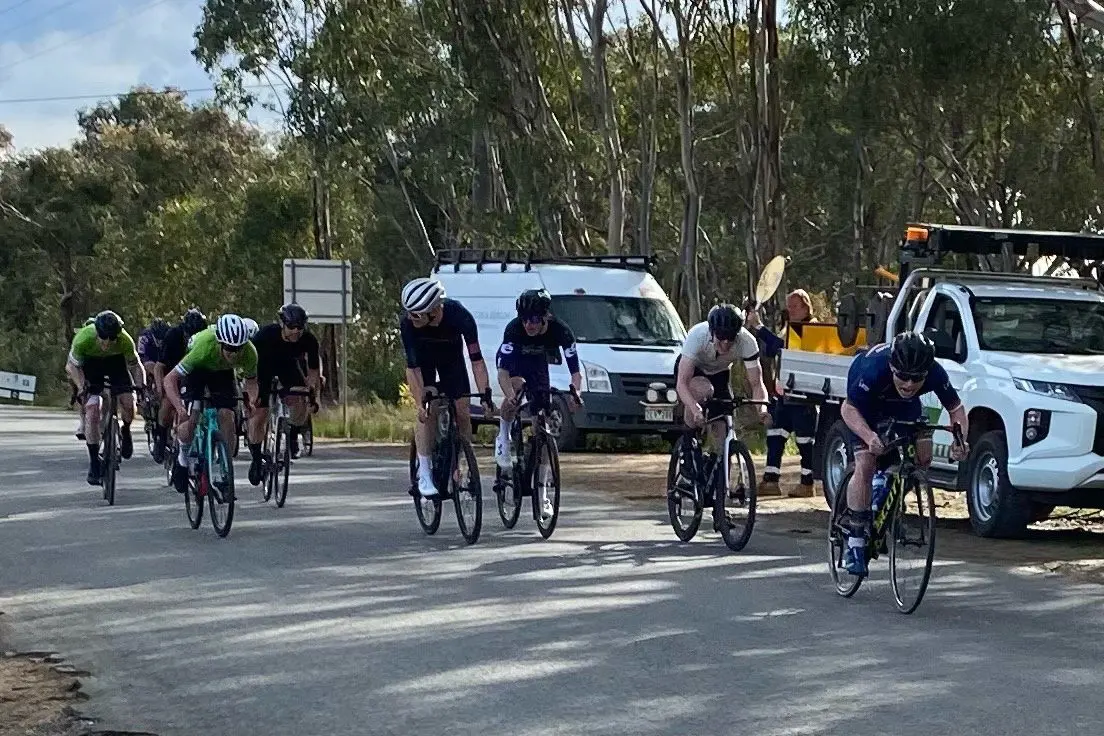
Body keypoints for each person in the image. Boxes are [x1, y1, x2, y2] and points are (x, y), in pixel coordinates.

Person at [839, 330, 969, 576]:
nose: (909, 384)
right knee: (866, 463)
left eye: (916, 378)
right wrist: (869, 437)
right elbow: (848, 408)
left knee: (923, 458)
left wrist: (961, 440)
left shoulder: (934, 373)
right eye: (903, 376)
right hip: (865, 406)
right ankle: (855, 541)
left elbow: (956, 408)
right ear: (892, 366)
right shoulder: (874, 369)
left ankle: (889, 495)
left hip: (904, 407)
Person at [399, 278, 494, 497]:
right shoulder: (408, 325)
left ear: (434, 310)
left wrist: (485, 394)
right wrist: (420, 403)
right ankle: (424, 473)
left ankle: (461, 461)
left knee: (462, 411)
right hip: (424, 365)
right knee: (428, 411)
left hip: (451, 361)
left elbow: (477, 361)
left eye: (416, 314)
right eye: (409, 313)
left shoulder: (459, 316)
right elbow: (413, 370)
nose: (411, 318)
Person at [494, 288, 582, 487]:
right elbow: (503, 374)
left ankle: (541, 488)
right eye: (524, 319)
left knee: (542, 419)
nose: (528, 325)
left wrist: (576, 394)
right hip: (514, 364)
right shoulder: (514, 329)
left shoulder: (561, 330)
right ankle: (504, 438)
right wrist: (510, 396)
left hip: (537, 364)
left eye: (533, 319)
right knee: (515, 391)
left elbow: (576, 373)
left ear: (546, 317)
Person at [164, 314, 258, 494]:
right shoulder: (204, 347)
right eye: (229, 349)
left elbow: (252, 381)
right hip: (198, 370)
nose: (234, 354)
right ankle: (182, 459)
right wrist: (179, 408)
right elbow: (170, 380)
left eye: (238, 349)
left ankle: (225, 471)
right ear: (221, 343)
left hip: (222, 373)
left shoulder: (249, 352)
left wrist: (251, 401)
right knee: (191, 419)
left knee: (227, 415)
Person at [745, 289, 819, 497]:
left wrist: (759, 327)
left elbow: (784, 347)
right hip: (785, 394)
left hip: (803, 395)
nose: (791, 310)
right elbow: (771, 350)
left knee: (805, 441)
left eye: (795, 306)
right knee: (775, 435)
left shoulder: (812, 327)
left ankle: (807, 483)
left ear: (806, 306)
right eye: (789, 306)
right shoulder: (789, 328)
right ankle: (770, 480)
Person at [674, 304, 770, 456]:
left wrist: (762, 409)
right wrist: (695, 408)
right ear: (712, 331)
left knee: (724, 436)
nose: (725, 342)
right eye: (721, 336)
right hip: (694, 372)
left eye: (731, 337)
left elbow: (757, 383)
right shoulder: (698, 335)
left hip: (720, 374)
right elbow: (681, 384)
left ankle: (719, 469)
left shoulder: (747, 342)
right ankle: (688, 441)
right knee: (704, 390)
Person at [65, 310, 146, 485]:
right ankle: (94, 461)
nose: (108, 342)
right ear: (97, 332)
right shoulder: (84, 338)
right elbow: (71, 366)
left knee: (128, 403)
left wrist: (140, 386)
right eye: (104, 337)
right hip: (91, 365)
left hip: (115, 364)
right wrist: (81, 387)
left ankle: (125, 430)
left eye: (112, 338)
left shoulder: (124, 339)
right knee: (93, 411)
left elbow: (135, 365)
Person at [245, 303, 322, 486]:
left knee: (299, 401)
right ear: (282, 324)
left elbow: (313, 371)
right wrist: (251, 393)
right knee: (260, 415)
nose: (296, 331)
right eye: (291, 327)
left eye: (299, 328)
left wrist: (313, 395)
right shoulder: (265, 335)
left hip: (287, 368)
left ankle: (292, 433)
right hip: (262, 369)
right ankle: (256, 458)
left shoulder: (309, 340)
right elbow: (248, 362)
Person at [151, 308, 208, 464]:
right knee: (168, 403)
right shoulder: (173, 335)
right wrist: (160, 388)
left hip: (196, 371)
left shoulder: (207, 339)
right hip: (173, 371)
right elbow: (158, 367)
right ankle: (161, 438)